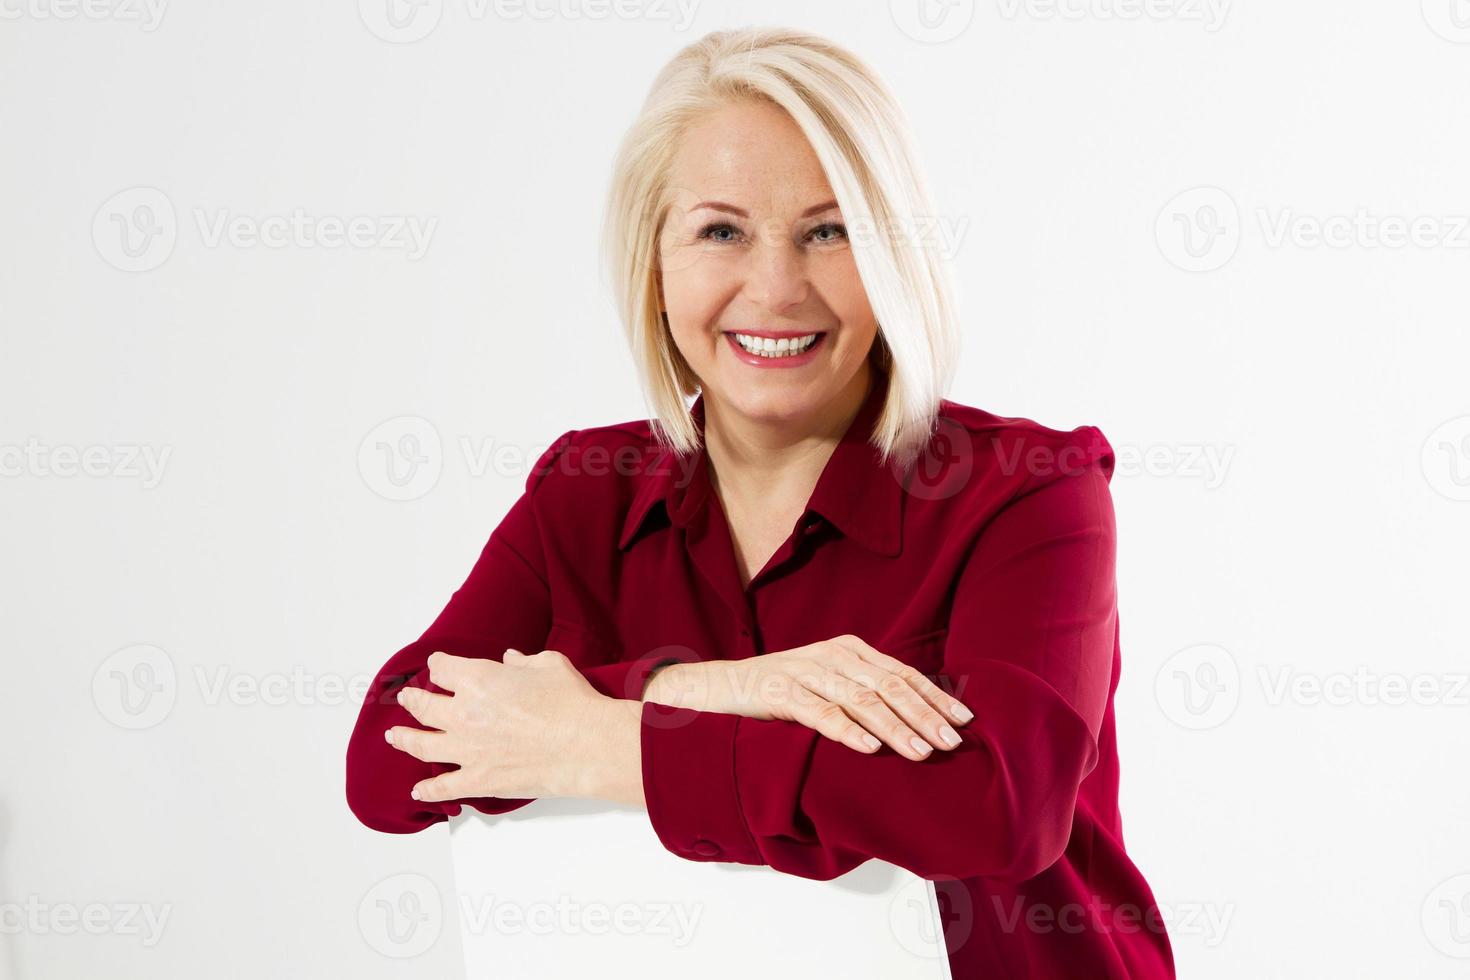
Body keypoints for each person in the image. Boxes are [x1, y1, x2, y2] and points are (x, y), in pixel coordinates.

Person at [345, 26, 1176, 979]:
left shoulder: (1029, 492)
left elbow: (999, 810)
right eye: (721, 231)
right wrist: (712, 688)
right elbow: (386, 757)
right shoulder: (585, 495)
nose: (776, 289)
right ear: (653, 266)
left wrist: (599, 738)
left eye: (829, 231)